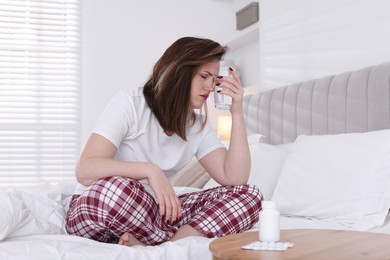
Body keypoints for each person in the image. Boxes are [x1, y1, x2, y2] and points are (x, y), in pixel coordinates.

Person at [65, 36, 262, 246]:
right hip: (101, 207)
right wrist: (151, 171)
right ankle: (162, 241)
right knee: (117, 189)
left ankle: (161, 245)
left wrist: (237, 113)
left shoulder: (198, 126)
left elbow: (235, 179)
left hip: (153, 214)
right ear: (180, 72)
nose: (210, 87)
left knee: (249, 195)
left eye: (214, 80)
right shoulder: (130, 104)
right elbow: (85, 170)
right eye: (204, 76)